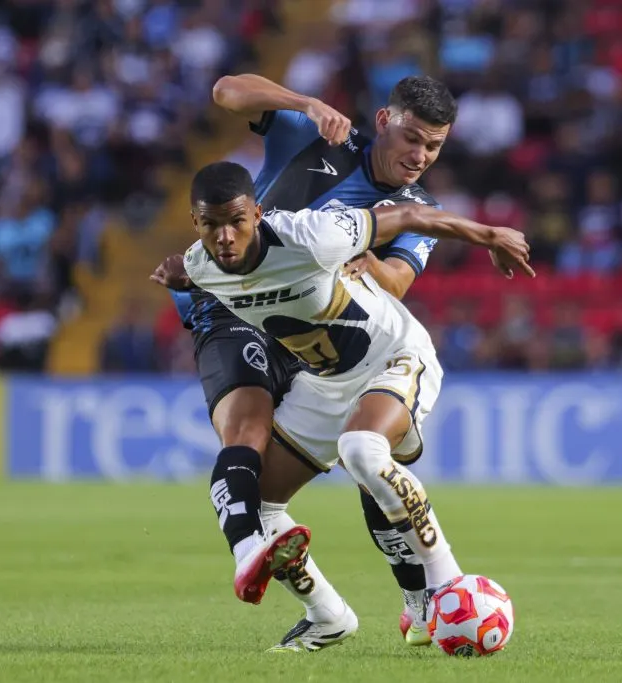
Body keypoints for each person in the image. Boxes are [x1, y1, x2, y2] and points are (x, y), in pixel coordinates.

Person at [154, 161, 533, 652]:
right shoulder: (202, 266)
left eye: (237, 221)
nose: (225, 236)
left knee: (361, 450)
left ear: (258, 214)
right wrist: (179, 276)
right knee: (255, 504)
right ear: (195, 223)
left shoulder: (311, 236)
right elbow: (196, 274)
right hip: (326, 384)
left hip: (394, 356)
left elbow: (407, 216)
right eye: (211, 225)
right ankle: (327, 615)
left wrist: (490, 235)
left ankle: (449, 583)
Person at [165, 73, 457, 645]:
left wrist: (367, 262)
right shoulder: (315, 134)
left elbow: (398, 278)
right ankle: (302, 591)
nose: (420, 155)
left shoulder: (418, 205)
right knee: (247, 434)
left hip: (316, 334)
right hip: (229, 307)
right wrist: (303, 101)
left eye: (435, 146)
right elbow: (226, 90)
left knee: (367, 461)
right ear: (383, 121)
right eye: (412, 138)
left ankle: (418, 599)